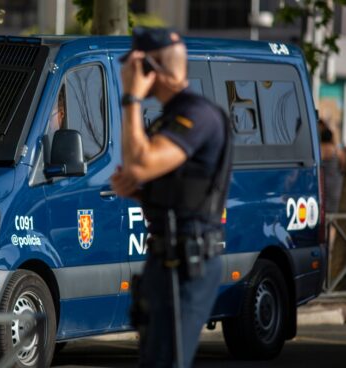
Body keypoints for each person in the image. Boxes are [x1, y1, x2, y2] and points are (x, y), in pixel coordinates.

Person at [111, 27, 232, 368]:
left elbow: (142, 161)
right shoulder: (171, 117)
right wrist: (138, 190)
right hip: (166, 259)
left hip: (188, 263)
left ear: (150, 68)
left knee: (167, 361)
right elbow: (162, 181)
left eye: (135, 68)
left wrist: (131, 98)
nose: (130, 76)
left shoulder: (197, 114)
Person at [319, 120, 343, 214]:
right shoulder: (336, 150)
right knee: (332, 217)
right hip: (335, 185)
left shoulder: (323, 149)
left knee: (326, 215)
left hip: (326, 186)